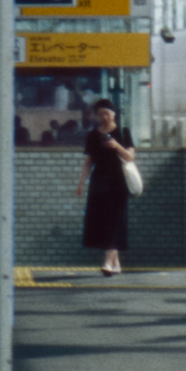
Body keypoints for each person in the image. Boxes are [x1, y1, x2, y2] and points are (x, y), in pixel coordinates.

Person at [79, 98, 135, 276]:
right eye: (100, 114)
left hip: (119, 182)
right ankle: (116, 264)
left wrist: (116, 146)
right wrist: (81, 182)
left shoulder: (123, 132)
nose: (104, 117)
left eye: (107, 113)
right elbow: (89, 161)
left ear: (114, 114)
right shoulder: (93, 135)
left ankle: (107, 262)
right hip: (99, 182)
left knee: (116, 220)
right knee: (104, 222)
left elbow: (129, 156)